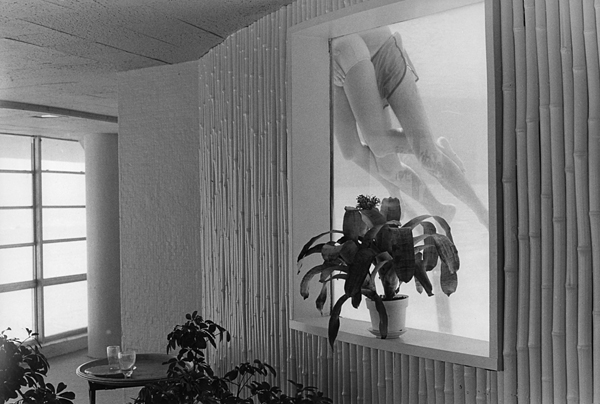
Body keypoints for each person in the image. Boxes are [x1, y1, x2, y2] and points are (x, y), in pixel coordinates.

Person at [331, 26, 489, 228]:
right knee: (380, 164)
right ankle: (438, 208)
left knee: (422, 155)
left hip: (377, 49)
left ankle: (482, 213)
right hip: (345, 54)